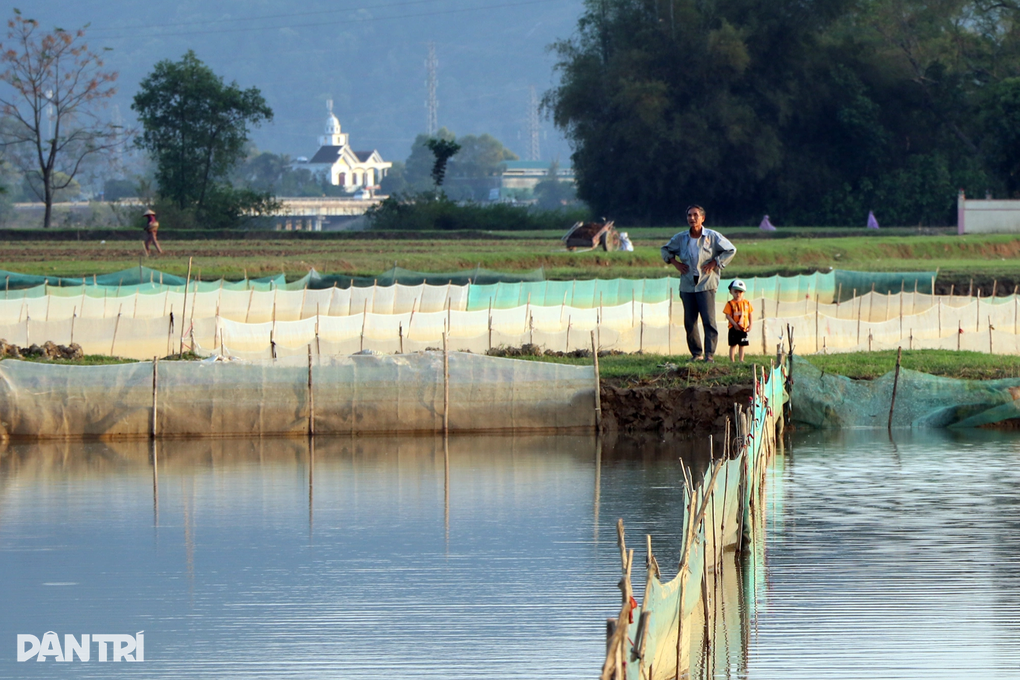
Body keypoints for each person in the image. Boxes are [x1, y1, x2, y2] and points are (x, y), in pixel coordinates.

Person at [661, 205, 736, 361]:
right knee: (690, 322)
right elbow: (665, 250)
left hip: (706, 283)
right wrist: (675, 263)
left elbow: (730, 250)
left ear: (703, 218)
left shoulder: (712, 237)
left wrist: (715, 263)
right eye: (689, 215)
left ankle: (710, 354)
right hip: (687, 284)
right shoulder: (681, 238)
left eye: (695, 215)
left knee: (708, 320)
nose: (692, 218)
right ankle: (697, 354)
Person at [723, 279, 753, 362]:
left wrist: (750, 324)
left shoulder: (747, 303)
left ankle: (741, 359)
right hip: (733, 327)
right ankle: (732, 360)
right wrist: (734, 324)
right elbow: (727, 315)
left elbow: (750, 313)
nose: (738, 294)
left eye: (740, 292)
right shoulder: (730, 304)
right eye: (735, 292)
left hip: (743, 327)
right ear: (731, 292)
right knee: (733, 344)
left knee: (742, 345)